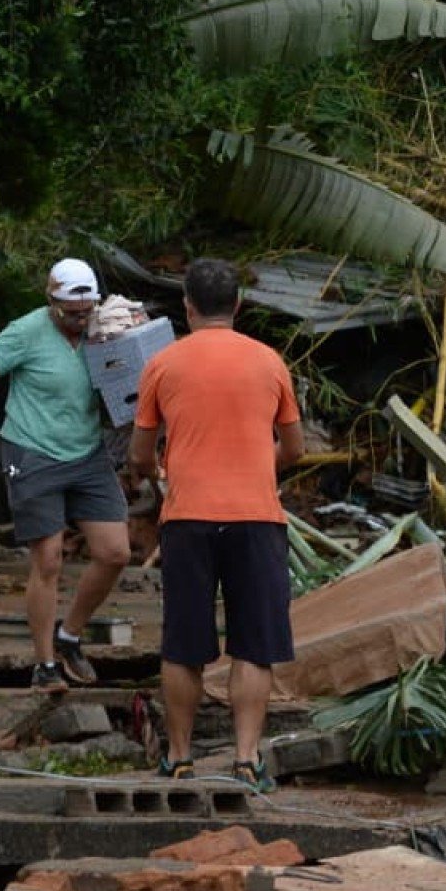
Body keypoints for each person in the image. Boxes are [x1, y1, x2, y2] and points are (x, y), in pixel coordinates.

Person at [129, 258, 303, 793]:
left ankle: (179, 758)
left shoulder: (163, 363)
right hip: (256, 518)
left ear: (186, 307)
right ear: (238, 306)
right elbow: (294, 448)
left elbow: (139, 453)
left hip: (187, 520)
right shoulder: (269, 362)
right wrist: (253, 465)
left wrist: (160, 469)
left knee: (183, 644)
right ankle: (247, 759)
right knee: (254, 643)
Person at [0, 258, 131, 692]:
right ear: (51, 301)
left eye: (85, 312)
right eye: (70, 313)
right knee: (48, 558)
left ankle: (69, 637)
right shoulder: (25, 332)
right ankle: (44, 663)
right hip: (31, 450)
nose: (78, 321)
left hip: (87, 450)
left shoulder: (103, 329)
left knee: (115, 552)